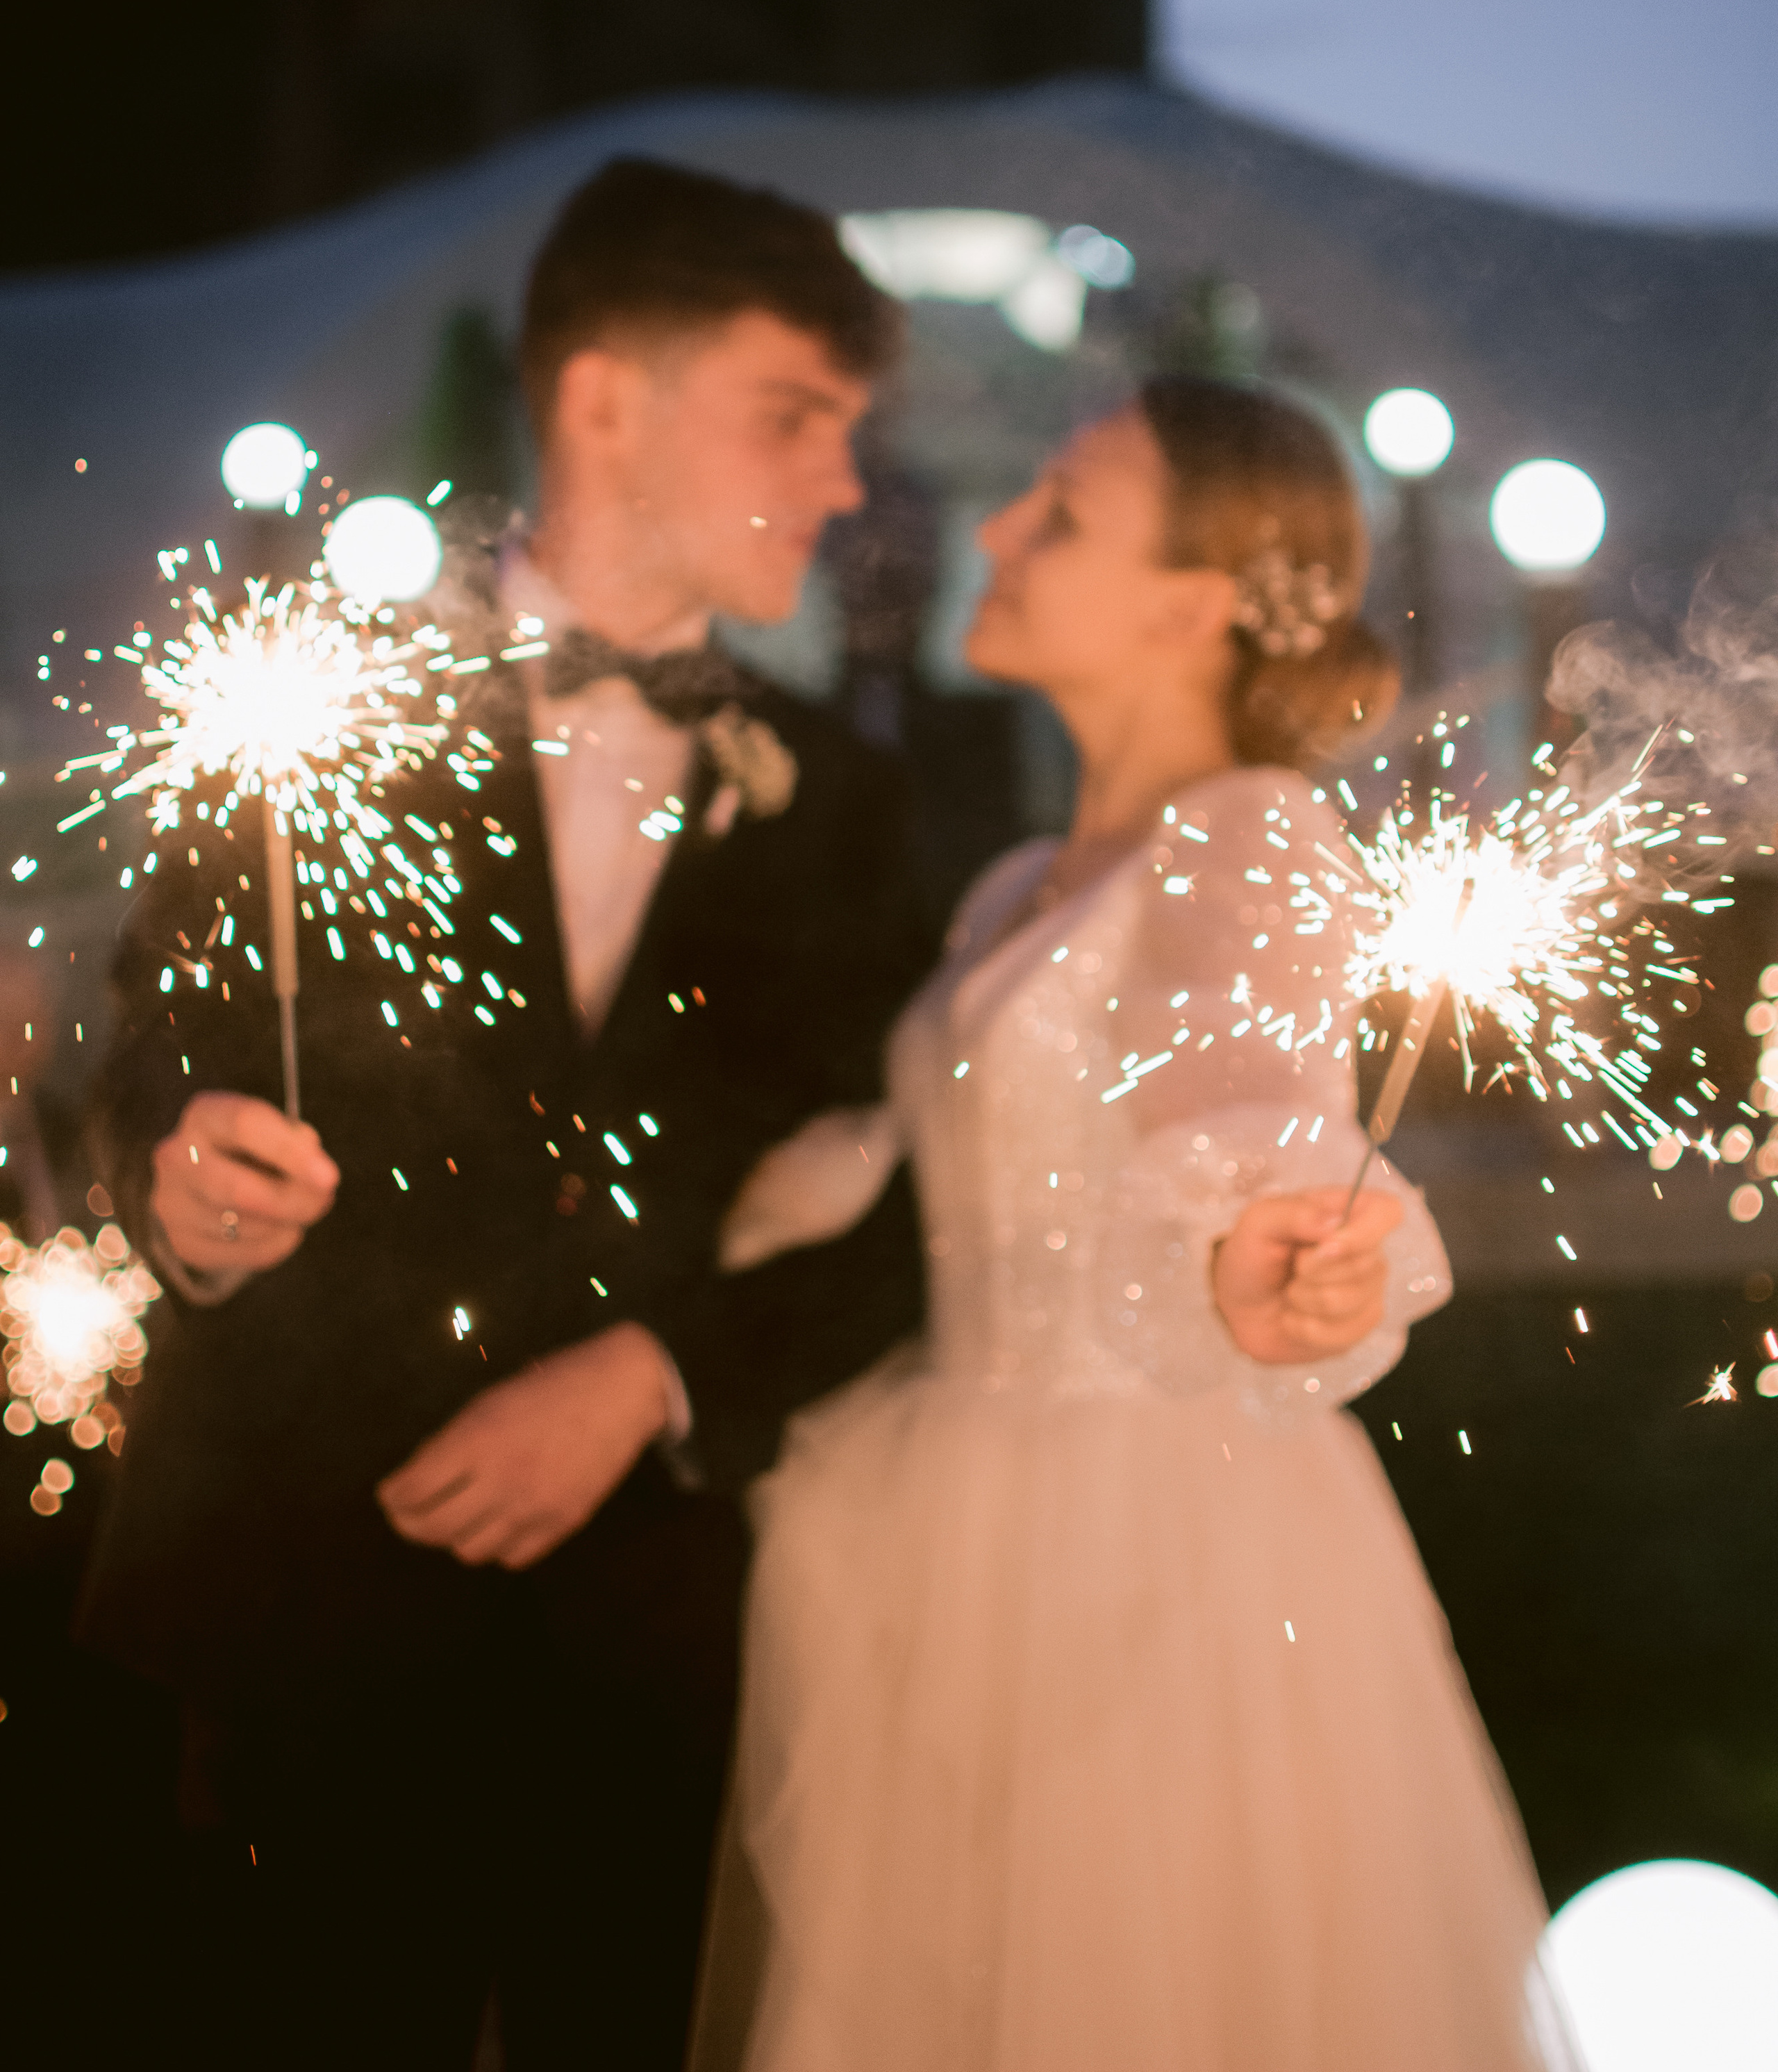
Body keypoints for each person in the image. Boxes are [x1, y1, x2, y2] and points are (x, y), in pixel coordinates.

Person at [78, 160, 933, 2071]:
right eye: (796, 415)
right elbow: (147, 1053)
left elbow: (927, 1218)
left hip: (653, 1628)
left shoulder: (853, 809)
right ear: (606, 396)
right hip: (298, 1582)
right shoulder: (315, 710)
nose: (847, 482)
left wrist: (657, 1374)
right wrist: (178, 1194)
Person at [696, 378, 1577, 2072]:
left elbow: (1244, 1127)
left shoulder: (1244, 842)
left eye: (1061, 511)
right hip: (932, 1503)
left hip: (1126, 1553)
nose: (999, 530)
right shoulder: (1017, 880)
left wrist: (1268, 1256)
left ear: (1194, 600)